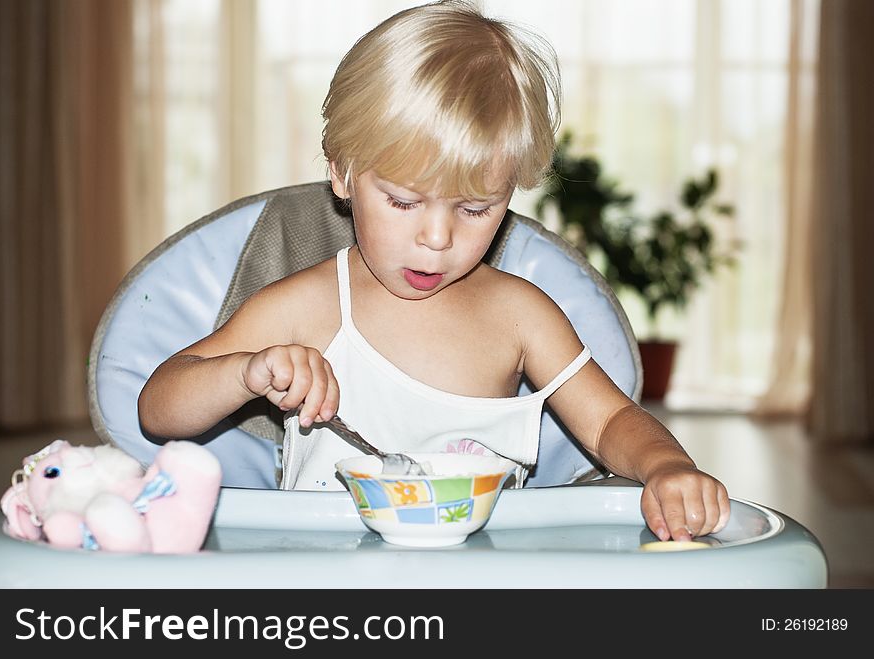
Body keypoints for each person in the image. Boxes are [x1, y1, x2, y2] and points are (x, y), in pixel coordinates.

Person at [138, 0, 730, 542]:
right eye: (403, 202)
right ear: (342, 173)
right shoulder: (307, 307)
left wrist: (667, 465)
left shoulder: (521, 316)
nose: (438, 238)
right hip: (321, 579)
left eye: (476, 209)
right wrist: (246, 372)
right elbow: (158, 408)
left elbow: (611, 422)